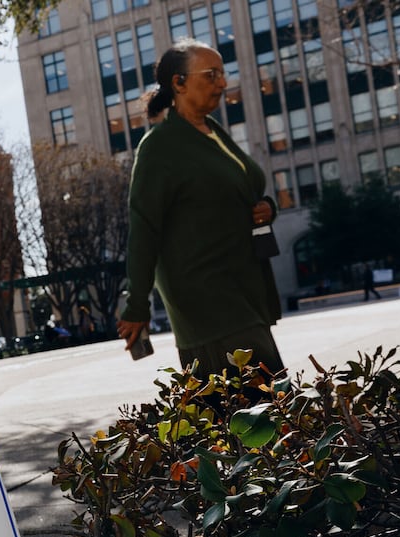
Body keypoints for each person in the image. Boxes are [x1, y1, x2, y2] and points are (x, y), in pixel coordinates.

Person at [117, 39, 285, 379]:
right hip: (205, 296)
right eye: (211, 75)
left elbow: (245, 186)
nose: (222, 83)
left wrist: (268, 207)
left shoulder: (213, 133)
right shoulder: (159, 148)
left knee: (262, 410)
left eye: (223, 74)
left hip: (242, 288)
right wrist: (137, 305)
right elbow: (144, 228)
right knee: (267, 409)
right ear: (179, 83)